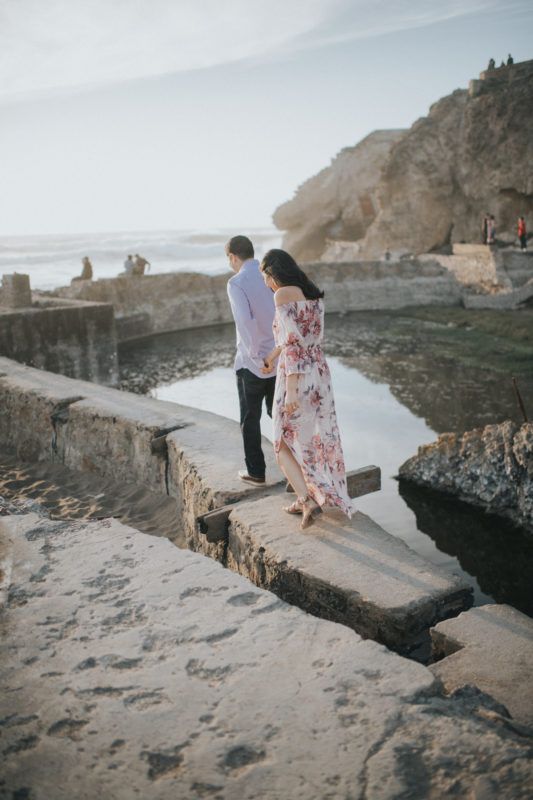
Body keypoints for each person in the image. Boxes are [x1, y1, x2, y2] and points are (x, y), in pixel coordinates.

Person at [260, 249, 355, 529]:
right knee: (309, 440)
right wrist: (272, 356)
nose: (265, 283)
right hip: (318, 372)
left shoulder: (282, 294)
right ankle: (308, 496)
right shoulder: (311, 292)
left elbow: (293, 346)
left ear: (272, 272)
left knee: (281, 442)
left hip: (297, 376)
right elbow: (300, 338)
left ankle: (306, 500)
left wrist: (290, 389)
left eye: (265, 276)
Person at [226, 235, 277, 485]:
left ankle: (256, 472)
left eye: (229, 260)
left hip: (253, 363)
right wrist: (274, 353)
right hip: (279, 358)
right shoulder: (271, 275)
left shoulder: (236, 282)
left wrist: (257, 359)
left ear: (233, 257)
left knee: (250, 419)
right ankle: (297, 473)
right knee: (281, 417)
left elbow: (246, 323)